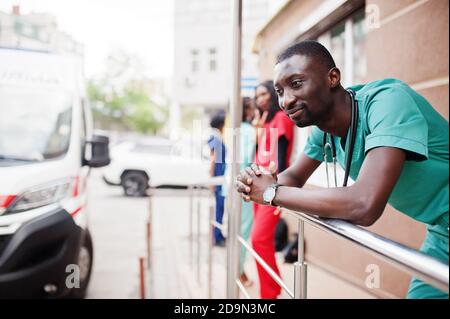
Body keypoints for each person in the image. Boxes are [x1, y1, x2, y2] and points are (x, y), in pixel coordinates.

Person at [235, 40, 449, 299]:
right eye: (279, 91)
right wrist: (257, 183)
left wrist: (271, 193)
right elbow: (293, 177)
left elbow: (364, 204)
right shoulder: (322, 131)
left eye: (297, 83)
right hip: (442, 232)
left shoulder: (388, 102)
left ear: (333, 77)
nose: (286, 100)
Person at [250, 80, 295, 299]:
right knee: (260, 242)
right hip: (256, 189)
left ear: (273, 94)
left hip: (271, 189)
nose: (261, 99)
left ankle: (270, 293)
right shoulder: (266, 123)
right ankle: (270, 290)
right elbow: (256, 156)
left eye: (264, 94)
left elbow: (281, 160)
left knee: (258, 239)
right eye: (257, 96)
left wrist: (280, 194)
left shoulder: (282, 118)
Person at [222, 97, 257, 286]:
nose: (254, 111)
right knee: (242, 230)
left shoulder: (232, 130)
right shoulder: (249, 131)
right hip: (242, 186)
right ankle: (239, 271)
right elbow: (245, 160)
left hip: (229, 184)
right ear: (246, 110)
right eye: (251, 107)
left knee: (233, 228)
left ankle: (234, 267)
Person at [208, 111, 227, 247]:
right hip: (218, 177)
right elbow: (213, 159)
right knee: (219, 207)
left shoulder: (216, 136)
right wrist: (211, 180)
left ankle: (218, 235)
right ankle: (217, 237)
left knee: (220, 207)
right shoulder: (216, 137)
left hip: (220, 176)